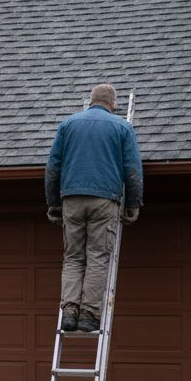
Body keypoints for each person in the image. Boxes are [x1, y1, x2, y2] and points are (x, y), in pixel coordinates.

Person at [45, 83, 143, 333]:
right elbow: (132, 170)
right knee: (98, 257)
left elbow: (53, 167)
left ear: (90, 102)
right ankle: (89, 314)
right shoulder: (123, 127)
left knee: (73, 257)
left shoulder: (68, 125)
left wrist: (54, 204)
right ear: (113, 105)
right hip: (104, 200)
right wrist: (133, 204)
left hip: (72, 199)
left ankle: (69, 311)